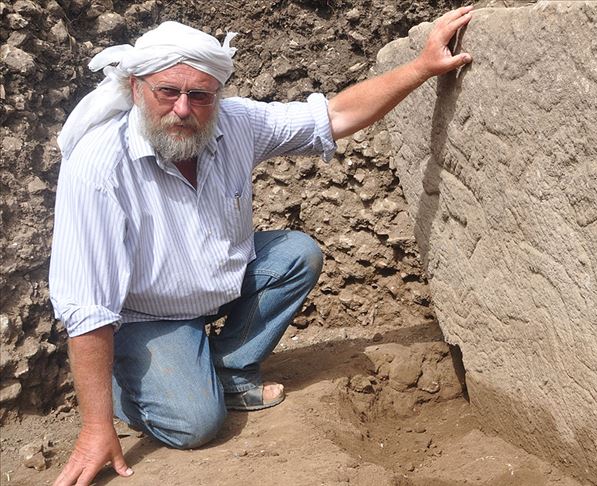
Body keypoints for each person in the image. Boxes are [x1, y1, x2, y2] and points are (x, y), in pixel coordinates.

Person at [48, 7, 473, 485]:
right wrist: (95, 428)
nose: (184, 109)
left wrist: (421, 66)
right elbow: (89, 305)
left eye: (200, 95)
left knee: (296, 254)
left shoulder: (237, 124)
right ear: (135, 89)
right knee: (194, 425)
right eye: (167, 91)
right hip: (148, 316)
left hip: (219, 283)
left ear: (217, 94)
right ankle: (126, 386)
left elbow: (334, 115)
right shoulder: (100, 167)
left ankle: (225, 371)